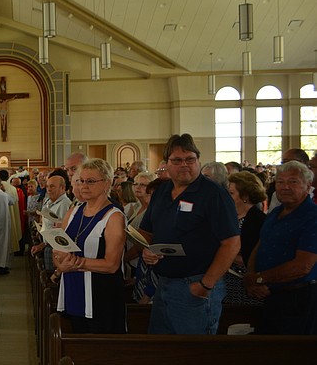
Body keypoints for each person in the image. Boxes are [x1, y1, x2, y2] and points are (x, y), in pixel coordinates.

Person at [139, 134, 240, 334]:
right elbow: (146, 232)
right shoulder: (162, 191)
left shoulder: (213, 194)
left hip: (196, 285)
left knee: (194, 356)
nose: (184, 165)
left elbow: (232, 243)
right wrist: (146, 250)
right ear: (166, 164)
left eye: (190, 159)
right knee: (163, 352)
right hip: (164, 283)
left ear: (198, 161)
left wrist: (205, 285)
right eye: (177, 160)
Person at [242, 161, 317, 334]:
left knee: (294, 355)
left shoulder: (312, 217)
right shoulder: (275, 213)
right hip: (272, 296)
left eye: (293, 182)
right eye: (280, 182)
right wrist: (251, 275)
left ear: (308, 186)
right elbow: (260, 245)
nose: (285, 187)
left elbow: (302, 266)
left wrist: (260, 278)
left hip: (300, 299)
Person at [53, 159, 126, 334]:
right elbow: (58, 249)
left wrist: (76, 262)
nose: (84, 186)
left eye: (91, 181)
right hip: (74, 291)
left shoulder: (114, 216)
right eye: (81, 181)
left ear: (107, 183)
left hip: (101, 295)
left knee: (101, 350)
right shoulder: (74, 211)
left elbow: (111, 265)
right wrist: (60, 266)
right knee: (78, 347)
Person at [223, 171, 267, 305]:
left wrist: (226, 256)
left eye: (231, 193)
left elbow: (254, 256)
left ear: (245, 196)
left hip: (244, 280)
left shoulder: (258, 220)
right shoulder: (229, 217)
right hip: (225, 278)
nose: (227, 196)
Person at [30, 175, 71, 277]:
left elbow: (62, 232)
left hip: (56, 250)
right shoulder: (49, 201)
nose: (48, 189)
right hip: (48, 245)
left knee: (51, 280)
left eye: (52, 186)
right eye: (47, 186)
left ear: (62, 188)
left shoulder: (64, 204)